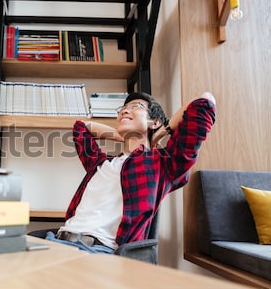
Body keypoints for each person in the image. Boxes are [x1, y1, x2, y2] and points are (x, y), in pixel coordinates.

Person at [44, 91, 216, 254]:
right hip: (56, 241)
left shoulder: (162, 164)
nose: (125, 110)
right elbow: (81, 127)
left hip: (98, 251)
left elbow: (204, 101)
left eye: (137, 106)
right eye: (123, 109)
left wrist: (159, 133)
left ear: (154, 121)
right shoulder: (100, 163)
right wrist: (125, 136)